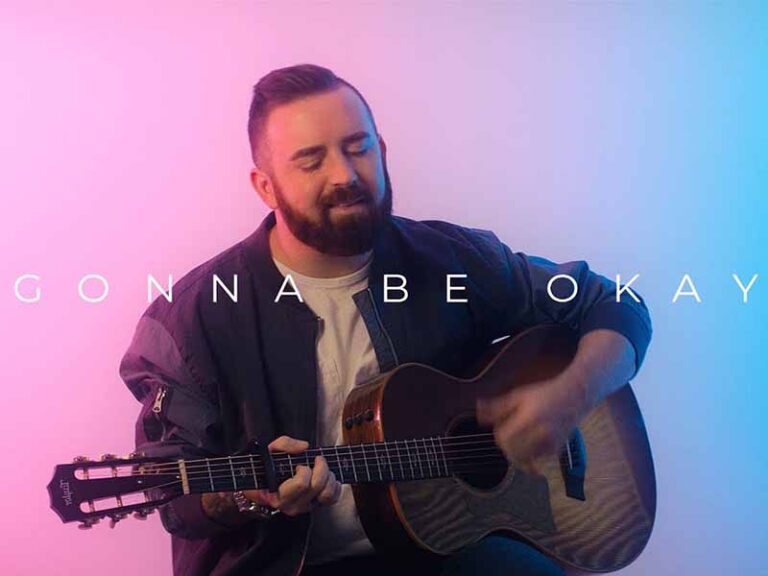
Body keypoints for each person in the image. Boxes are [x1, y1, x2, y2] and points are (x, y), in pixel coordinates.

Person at [119, 64, 652, 576]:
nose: (345, 175)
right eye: (311, 161)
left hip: (453, 549)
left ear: (383, 150)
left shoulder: (453, 260)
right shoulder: (192, 318)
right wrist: (247, 494)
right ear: (265, 187)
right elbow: (172, 492)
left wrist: (569, 395)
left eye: (359, 148)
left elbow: (615, 302)